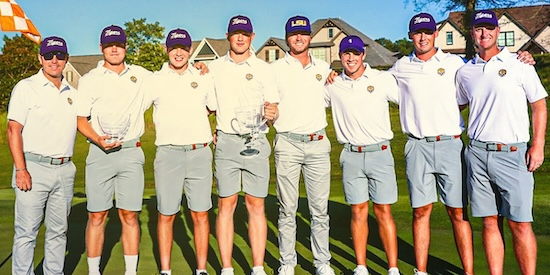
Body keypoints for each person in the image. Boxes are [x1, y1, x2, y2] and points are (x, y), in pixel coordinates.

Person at [456, 9, 547, 275]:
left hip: (513, 154)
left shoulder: (520, 64)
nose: (484, 34)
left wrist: (538, 146)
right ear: (472, 33)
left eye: (489, 28)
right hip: (477, 153)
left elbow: (539, 106)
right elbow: (455, 104)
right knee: (489, 222)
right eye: (478, 29)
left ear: (497, 32)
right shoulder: (465, 71)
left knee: (519, 223)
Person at [76, 25, 151, 275]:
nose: (114, 49)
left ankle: (131, 272)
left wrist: (201, 67)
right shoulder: (89, 80)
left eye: (118, 44)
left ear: (126, 47)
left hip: (131, 152)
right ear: (101, 48)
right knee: (97, 216)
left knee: (130, 215)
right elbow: (80, 120)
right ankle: (94, 271)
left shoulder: (141, 75)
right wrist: (98, 139)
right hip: (99, 154)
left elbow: (174, 74)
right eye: (109, 45)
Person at [141, 28, 216, 275]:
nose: (178, 53)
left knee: (200, 213)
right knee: (166, 214)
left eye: (183, 49)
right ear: (166, 50)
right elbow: (134, 106)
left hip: (199, 152)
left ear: (190, 51)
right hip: (168, 154)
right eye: (174, 48)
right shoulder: (155, 79)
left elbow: (213, 107)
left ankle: (201, 269)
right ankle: (165, 270)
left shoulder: (203, 76)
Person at [208, 15, 279, 275]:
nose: (240, 38)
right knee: (226, 205)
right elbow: (205, 107)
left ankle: (257, 267)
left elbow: (273, 108)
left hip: (256, 140)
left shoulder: (264, 69)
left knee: (255, 205)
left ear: (252, 37)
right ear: (228, 36)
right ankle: (227, 268)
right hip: (226, 141)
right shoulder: (214, 68)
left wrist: (273, 114)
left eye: (245, 34)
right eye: (236, 33)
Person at [325, 35, 401, 275]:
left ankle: (392, 268)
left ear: (363, 55)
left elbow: (408, 99)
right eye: (346, 54)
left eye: (355, 53)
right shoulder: (332, 84)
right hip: (351, 155)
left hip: (380, 152)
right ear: (340, 57)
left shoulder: (382, 78)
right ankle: (361, 266)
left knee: (383, 211)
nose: (350, 58)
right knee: (358, 211)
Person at [271, 16, 335, 275]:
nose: (299, 38)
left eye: (304, 34)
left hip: (318, 143)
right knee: (287, 209)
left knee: (320, 210)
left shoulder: (324, 68)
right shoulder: (274, 69)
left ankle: (322, 263)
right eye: (294, 34)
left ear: (310, 37)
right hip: (287, 143)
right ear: (287, 38)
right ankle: (287, 263)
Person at [8, 36, 77, 275]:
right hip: (33, 168)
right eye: (49, 55)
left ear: (66, 59)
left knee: (59, 232)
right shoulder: (26, 87)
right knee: (27, 232)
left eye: (59, 55)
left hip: (65, 169)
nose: (54, 60)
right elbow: (13, 129)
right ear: (40, 58)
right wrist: (21, 169)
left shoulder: (72, 92)